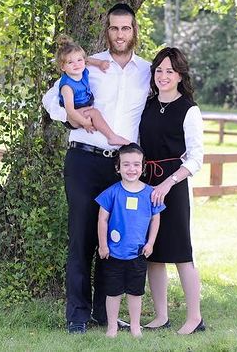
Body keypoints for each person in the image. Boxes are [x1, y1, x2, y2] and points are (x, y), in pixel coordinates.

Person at [42, 3, 151, 334]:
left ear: (134, 31)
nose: (120, 34)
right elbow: (50, 100)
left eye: (126, 28)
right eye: (114, 28)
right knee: (81, 237)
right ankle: (77, 314)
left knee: (116, 240)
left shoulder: (147, 71)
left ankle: (106, 313)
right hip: (84, 160)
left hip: (121, 168)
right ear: (107, 31)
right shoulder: (88, 65)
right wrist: (74, 118)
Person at [139, 47, 206, 335]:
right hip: (146, 183)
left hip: (174, 186)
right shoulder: (148, 105)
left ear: (180, 75)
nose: (163, 76)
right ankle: (161, 316)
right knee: (153, 252)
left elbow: (196, 158)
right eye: (159, 70)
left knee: (181, 252)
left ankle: (195, 318)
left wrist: (168, 182)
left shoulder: (189, 110)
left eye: (170, 71)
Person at [95, 143, 165, 338]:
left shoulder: (150, 193)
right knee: (113, 292)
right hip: (113, 254)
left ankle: (135, 326)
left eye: (136, 164)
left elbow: (155, 219)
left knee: (135, 292)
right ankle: (112, 327)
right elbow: (102, 219)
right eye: (126, 164)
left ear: (143, 167)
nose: (131, 169)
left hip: (138, 253)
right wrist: (103, 245)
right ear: (118, 167)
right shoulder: (111, 193)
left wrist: (150, 243)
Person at [54, 34, 129, 146]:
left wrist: (100, 63)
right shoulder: (67, 86)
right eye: (70, 62)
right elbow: (70, 110)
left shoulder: (82, 69)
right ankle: (112, 137)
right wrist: (85, 122)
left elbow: (87, 60)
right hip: (73, 115)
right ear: (62, 67)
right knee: (94, 113)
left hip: (82, 106)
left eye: (79, 60)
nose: (76, 64)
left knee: (94, 112)